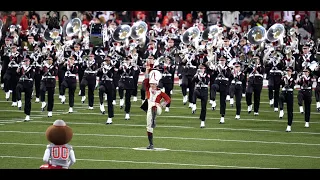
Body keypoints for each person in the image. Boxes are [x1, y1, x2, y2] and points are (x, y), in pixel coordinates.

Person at [141, 62, 171, 150]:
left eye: (153, 84)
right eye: (151, 84)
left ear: (157, 84)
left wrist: (163, 104)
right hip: (149, 106)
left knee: (154, 107)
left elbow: (168, 99)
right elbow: (146, 79)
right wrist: (147, 69)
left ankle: (154, 119)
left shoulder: (160, 92)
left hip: (157, 107)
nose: (152, 85)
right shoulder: (148, 89)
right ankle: (151, 144)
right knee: (148, 127)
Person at [278, 67, 296, 132]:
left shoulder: (293, 78)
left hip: (290, 93)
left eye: (289, 71)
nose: (288, 72)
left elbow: (292, 85)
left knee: (290, 110)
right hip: (284, 92)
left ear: (291, 72)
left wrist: (288, 81)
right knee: (280, 98)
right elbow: (279, 84)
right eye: (287, 71)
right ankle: (281, 109)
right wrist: (282, 79)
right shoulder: (284, 77)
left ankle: (289, 125)